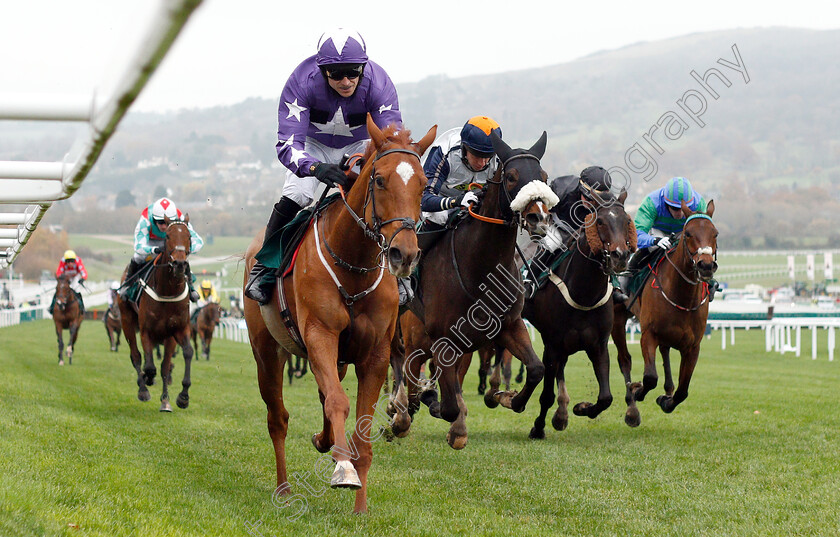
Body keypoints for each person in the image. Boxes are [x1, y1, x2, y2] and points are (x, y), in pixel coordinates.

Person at [245, 28, 403, 305]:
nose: (346, 81)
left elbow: (390, 141)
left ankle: (401, 274)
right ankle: (265, 267)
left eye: (353, 72)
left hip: (360, 144)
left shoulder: (380, 84)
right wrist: (316, 169)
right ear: (322, 71)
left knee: (390, 190)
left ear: (363, 67)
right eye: (336, 74)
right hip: (312, 145)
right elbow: (288, 145)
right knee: (298, 195)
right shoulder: (301, 82)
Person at [394, 116, 503, 305]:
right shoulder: (445, 153)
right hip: (439, 199)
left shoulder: (497, 158)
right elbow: (425, 199)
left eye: (488, 156)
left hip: (475, 200)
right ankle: (406, 273)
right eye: (477, 155)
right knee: (438, 216)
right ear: (465, 148)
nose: (483, 163)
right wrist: (456, 201)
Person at [617, 176, 718, 301]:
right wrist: (655, 241)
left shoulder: (698, 203)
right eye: (675, 208)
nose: (680, 213)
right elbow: (637, 234)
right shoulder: (652, 202)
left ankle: (709, 282)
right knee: (643, 252)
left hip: (684, 232)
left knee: (700, 252)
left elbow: (703, 234)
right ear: (665, 202)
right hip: (657, 231)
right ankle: (624, 283)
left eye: (683, 208)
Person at [525, 166, 613, 297]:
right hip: (559, 225)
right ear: (580, 189)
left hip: (587, 230)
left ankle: (615, 286)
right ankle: (530, 281)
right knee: (553, 242)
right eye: (587, 198)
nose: (589, 202)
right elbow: (541, 209)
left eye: (594, 200)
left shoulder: (608, 201)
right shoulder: (561, 188)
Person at [120, 197, 204, 302]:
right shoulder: (145, 220)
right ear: (153, 219)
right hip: (150, 242)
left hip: (171, 241)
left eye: (167, 222)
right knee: (138, 257)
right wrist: (154, 250)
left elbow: (199, 242)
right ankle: (127, 284)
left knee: (181, 258)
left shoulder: (180, 218)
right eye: (160, 222)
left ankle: (191, 288)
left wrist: (183, 250)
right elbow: (138, 247)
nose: (164, 226)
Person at [49, 249, 88, 315]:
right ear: (65, 261)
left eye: (72, 261)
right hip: (65, 278)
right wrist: (60, 279)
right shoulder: (62, 261)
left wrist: (83, 278)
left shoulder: (78, 261)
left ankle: (82, 308)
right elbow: (59, 272)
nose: (70, 264)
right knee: (59, 290)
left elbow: (83, 272)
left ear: (74, 260)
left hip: (75, 277)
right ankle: (51, 307)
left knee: (77, 291)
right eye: (68, 262)